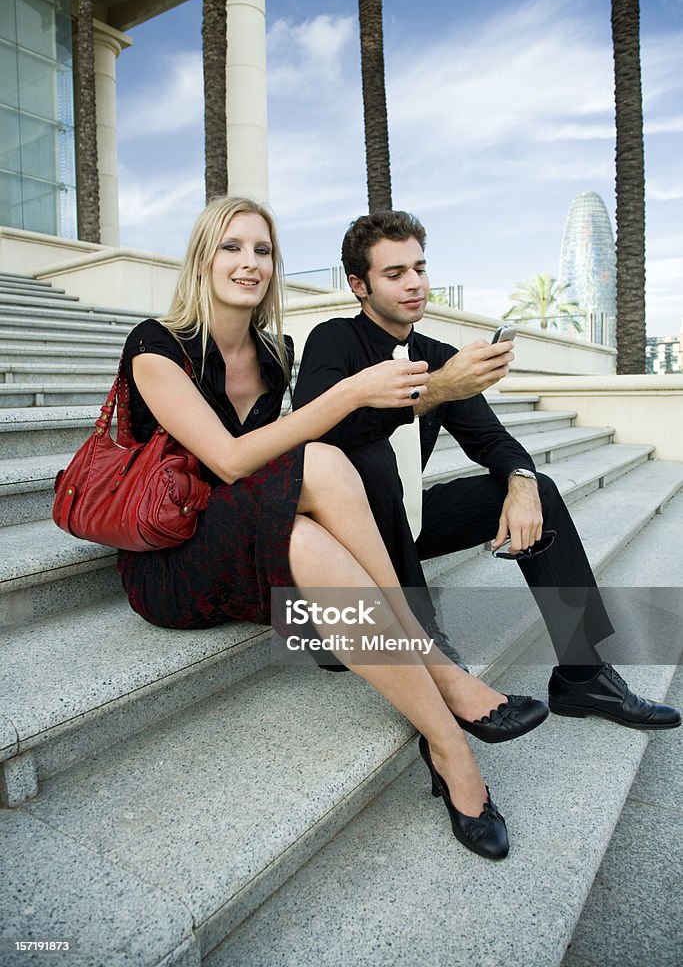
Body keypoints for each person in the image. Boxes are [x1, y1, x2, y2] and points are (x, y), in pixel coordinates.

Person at [115, 195, 549, 862]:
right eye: (231, 247)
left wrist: (514, 474)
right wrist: (351, 393)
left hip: (245, 531)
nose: (249, 262)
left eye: (262, 250)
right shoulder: (157, 345)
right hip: (174, 556)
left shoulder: (270, 353)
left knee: (313, 521)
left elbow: (267, 473)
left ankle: (452, 739)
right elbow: (228, 460)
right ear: (202, 259)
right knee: (321, 458)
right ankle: (449, 717)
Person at [293, 209, 681, 733]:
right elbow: (319, 438)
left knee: (536, 486)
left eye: (420, 268)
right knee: (369, 457)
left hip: (409, 524)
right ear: (358, 284)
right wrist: (437, 391)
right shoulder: (333, 339)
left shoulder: (438, 356)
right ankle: (431, 655)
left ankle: (583, 675)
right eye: (395, 273)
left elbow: (494, 441)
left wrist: (520, 483)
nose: (415, 283)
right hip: (342, 547)